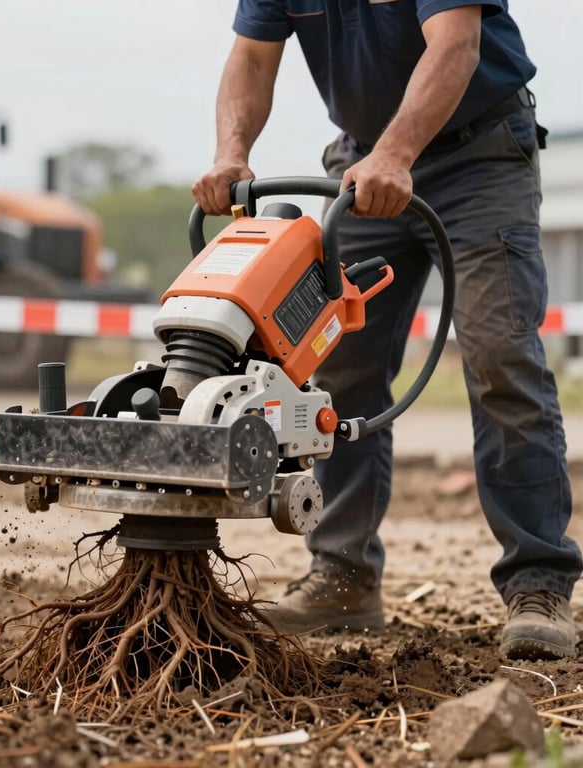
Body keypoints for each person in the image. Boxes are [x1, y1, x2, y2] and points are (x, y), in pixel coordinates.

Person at [193, 1, 581, 660]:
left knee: (499, 354)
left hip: (479, 153)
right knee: (336, 361)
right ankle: (344, 575)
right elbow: (253, 55)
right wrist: (233, 153)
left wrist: (398, 153)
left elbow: (455, 43)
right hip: (364, 163)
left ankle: (538, 582)